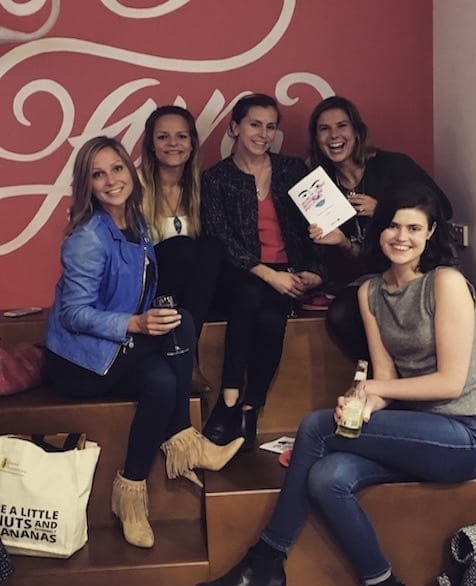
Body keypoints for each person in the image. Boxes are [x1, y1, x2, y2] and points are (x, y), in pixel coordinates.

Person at [193, 181, 476, 586]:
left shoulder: (444, 282)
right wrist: (364, 399)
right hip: (418, 429)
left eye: (413, 228)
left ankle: (266, 563)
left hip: (468, 432)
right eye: (392, 226)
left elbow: (451, 382)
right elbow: (387, 380)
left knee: (316, 428)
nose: (401, 237)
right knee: (326, 477)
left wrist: (373, 388)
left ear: (429, 233)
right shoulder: (372, 291)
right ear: (379, 231)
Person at [45, 136, 243, 550]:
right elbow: (72, 314)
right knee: (170, 359)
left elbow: (137, 291)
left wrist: (150, 317)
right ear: (87, 184)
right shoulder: (87, 237)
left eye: (117, 168)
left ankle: (137, 487)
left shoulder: (135, 223)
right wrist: (136, 323)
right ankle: (177, 451)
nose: (111, 180)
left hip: (116, 347)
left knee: (175, 344)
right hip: (80, 360)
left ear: (130, 172)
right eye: (98, 174)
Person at [201, 93, 324, 451]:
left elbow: (319, 227)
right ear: (235, 127)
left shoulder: (293, 170)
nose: (264, 134)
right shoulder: (216, 178)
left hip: (288, 274)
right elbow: (219, 238)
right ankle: (228, 400)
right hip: (240, 273)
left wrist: (314, 272)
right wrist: (270, 275)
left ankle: (249, 410)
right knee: (251, 293)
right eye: (255, 124)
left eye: (271, 127)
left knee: (272, 320)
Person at [308, 96, 453, 361]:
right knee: (340, 314)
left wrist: (385, 209)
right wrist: (342, 243)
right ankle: (384, 374)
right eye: (324, 129)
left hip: (421, 269)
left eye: (342, 126)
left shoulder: (393, 165)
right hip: (377, 275)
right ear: (316, 138)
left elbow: (443, 208)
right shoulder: (323, 188)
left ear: (357, 132)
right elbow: (364, 256)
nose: (334, 136)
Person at [141, 105, 222, 394]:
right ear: (151, 144)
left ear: (192, 144)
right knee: (182, 248)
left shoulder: (203, 186)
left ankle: (186, 351)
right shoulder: (135, 188)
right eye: (163, 137)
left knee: (211, 247)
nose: (173, 144)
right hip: (152, 286)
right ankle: (188, 358)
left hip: (190, 295)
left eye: (181, 136)